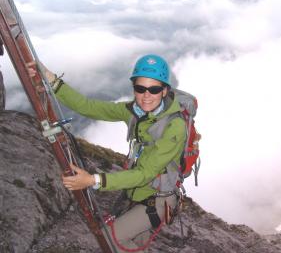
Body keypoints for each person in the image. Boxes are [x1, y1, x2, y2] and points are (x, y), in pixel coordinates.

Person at [28, 54, 186, 252]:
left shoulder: (175, 126)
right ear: (134, 88)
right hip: (137, 193)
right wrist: (52, 80)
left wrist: (93, 180)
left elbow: (144, 174)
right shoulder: (133, 111)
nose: (146, 96)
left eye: (154, 89)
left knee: (110, 239)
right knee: (135, 245)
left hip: (160, 199)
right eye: (140, 88)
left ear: (164, 91)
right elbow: (88, 107)